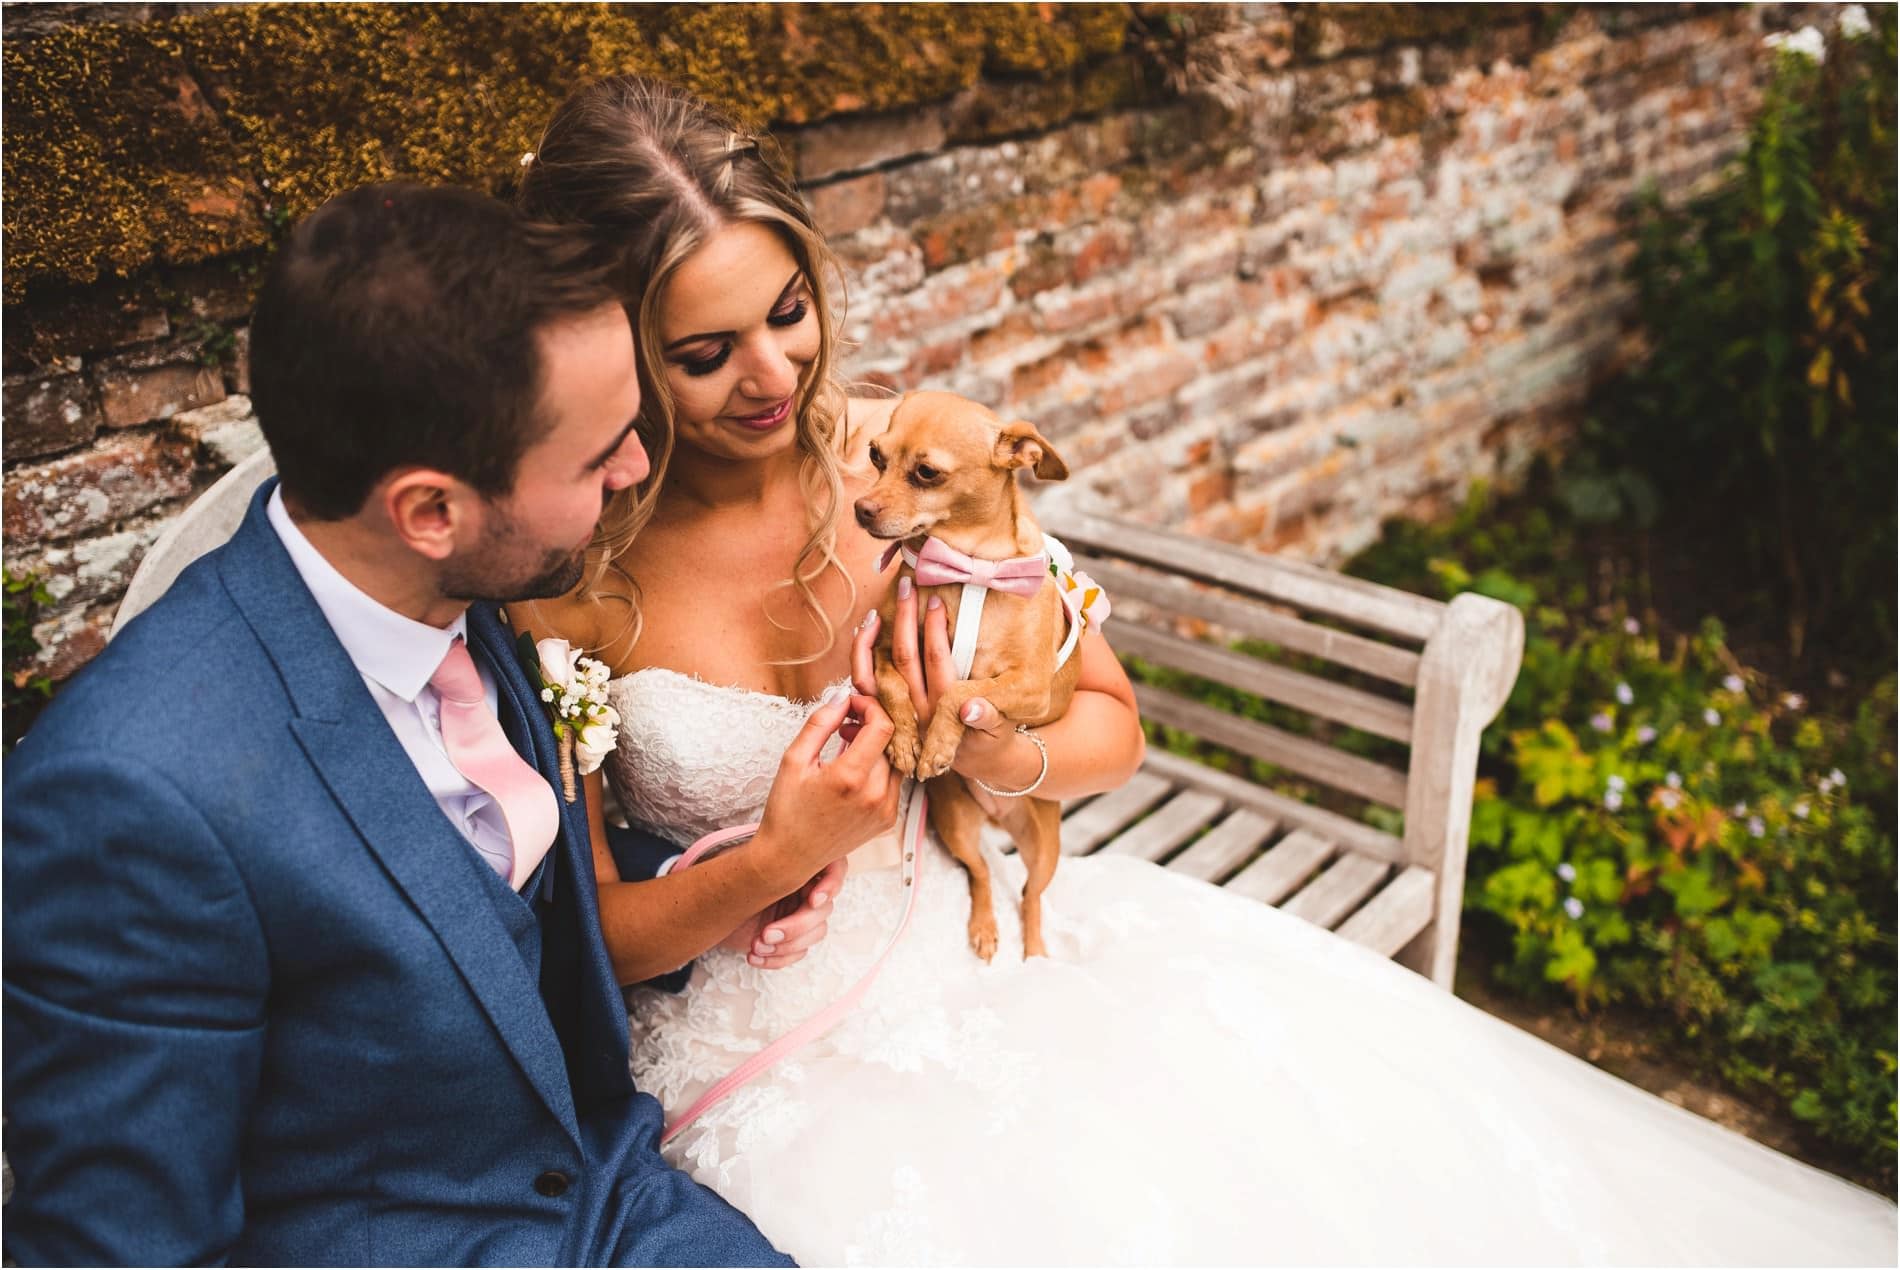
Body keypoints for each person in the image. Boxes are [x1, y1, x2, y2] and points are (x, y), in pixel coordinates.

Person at [516, 77, 1897, 1265]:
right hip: (772, 1060)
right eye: (706, 353)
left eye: (791, 311)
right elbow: (595, 942)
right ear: (617, 349)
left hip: (990, 942)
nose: (775, 374)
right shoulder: (573, 576)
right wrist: (782, 851)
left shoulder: (899, 461)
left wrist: (993, 754)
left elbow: (1112, 723)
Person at [0, 182, 901, 1265]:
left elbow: (507, 900)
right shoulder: (127, 795)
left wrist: (751, 864)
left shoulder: (459, 587)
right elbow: (123, 1243)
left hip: (614, 1194)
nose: (634, 471)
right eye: (596, 455)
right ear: (431, 511)